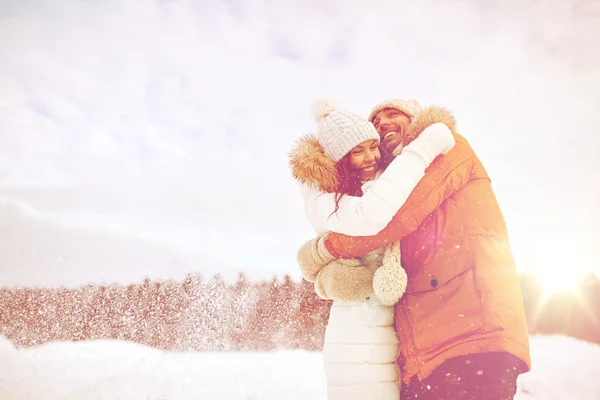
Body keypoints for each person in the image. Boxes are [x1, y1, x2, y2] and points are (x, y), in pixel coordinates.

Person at [297, 99, 531, 400]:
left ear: (416, 116)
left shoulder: (445, 147)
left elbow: (393, 219)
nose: (383, 124)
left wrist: (323, 250)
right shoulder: (393, 181)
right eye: (376, 124)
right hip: (425, 353)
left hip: (471, 335)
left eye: (392, 114)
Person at [289, 98, 455, 400]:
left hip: (392, 324)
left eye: (373, 146)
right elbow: (372, 216)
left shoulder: (382, 180)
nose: (370, 157)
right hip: (353, 325)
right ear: (340, 159)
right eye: (357, 151)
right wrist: (422, 149)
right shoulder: (327, 198)